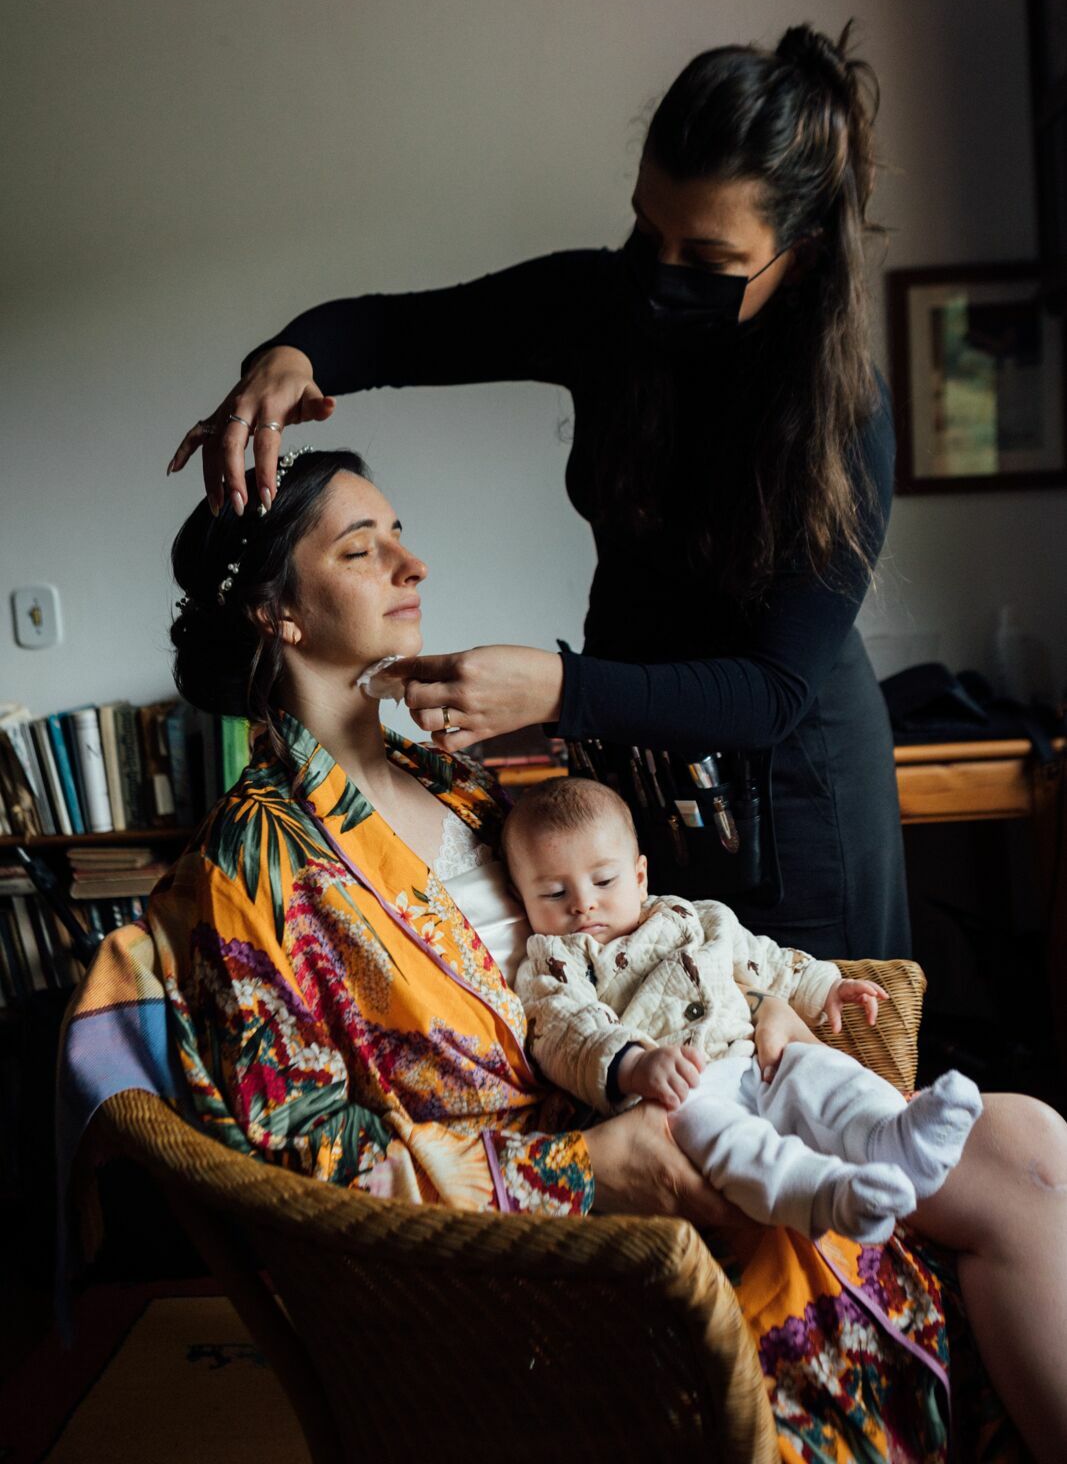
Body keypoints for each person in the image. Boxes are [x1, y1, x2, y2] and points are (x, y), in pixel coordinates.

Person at [61, 447, 1067, 1460]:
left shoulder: (458, 781)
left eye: (400, 535)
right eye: (363, 549)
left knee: (1026, 1139)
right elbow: (304, 1167)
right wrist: (582, 1167)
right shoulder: (254, 868)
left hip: (689, 1092)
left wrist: (755, 994)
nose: (412, 567)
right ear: (278, 612)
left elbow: (632, 926)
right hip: (565, 1243)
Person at [167, 21, 909, 963]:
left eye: (710, 261)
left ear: (797, 255)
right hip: (630, 782)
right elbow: (397, 333)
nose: (657, 279)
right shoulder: (603, 307)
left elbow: (770, 692)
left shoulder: (843, 416)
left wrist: (556, 688)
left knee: (813, 1073)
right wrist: (289, 357)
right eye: (647, 230)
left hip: (789, 796)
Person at [505, 777, 982, 1244]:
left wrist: (824, 986)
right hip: (680, 1092)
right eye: (553, 894)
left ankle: (892, 1138)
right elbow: (565, 1029)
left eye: (603, 880)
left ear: (639, 876)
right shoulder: (554, 961)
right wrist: (633, 1064)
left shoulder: (693, 917)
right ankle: (824, 1194)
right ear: (523, 900)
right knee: (726, 1142)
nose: (584, 905)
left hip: (756, 1059)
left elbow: (763, 958)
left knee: (822, 1070)